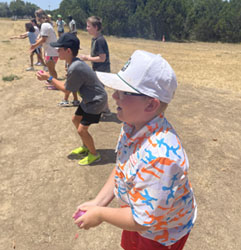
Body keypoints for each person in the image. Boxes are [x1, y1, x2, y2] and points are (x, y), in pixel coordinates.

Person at [73, 50, 197, 250]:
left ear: (150, 104)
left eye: (124, 92)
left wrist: (100, 214)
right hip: (137, 213)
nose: (114, 95)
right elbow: (122, 166)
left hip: (160, 233)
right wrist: (98, 202)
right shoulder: (132, 124)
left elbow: (142, 220)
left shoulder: (161, 158)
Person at [36, 33, 108, 165]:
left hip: (95, 101)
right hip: (88, 98)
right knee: (76, 119)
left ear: (68, 51)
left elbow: (66, 89)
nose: (57, 51)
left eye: (59, 49)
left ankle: (94, 154)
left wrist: (49, 78)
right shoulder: (72, 63)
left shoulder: (75, 66)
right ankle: (86, 146)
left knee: (82, 129)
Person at [80, 16, 111, 116]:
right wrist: (85, 57)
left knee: (97, 91)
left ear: (96, 27)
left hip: (102, 70)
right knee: (99, 91)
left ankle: (102, 111)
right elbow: (95, 56)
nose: (87, 28)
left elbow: (102, 58)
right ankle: (106, 110)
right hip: (97, 69)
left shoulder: (100, 40)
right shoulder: (95, 39)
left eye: (89, 26)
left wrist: (87, 58)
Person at [31, 9, 58, 88]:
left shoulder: (45, 25)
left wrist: (34, 45)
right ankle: (51, 81)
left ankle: (55, 84)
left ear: (38, 17)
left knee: (52, 69)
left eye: (36, 16)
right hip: (50, 50)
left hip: (51, 51)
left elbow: (44, 39)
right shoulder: (46, 25)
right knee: (50, 69)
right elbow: (42, 36)